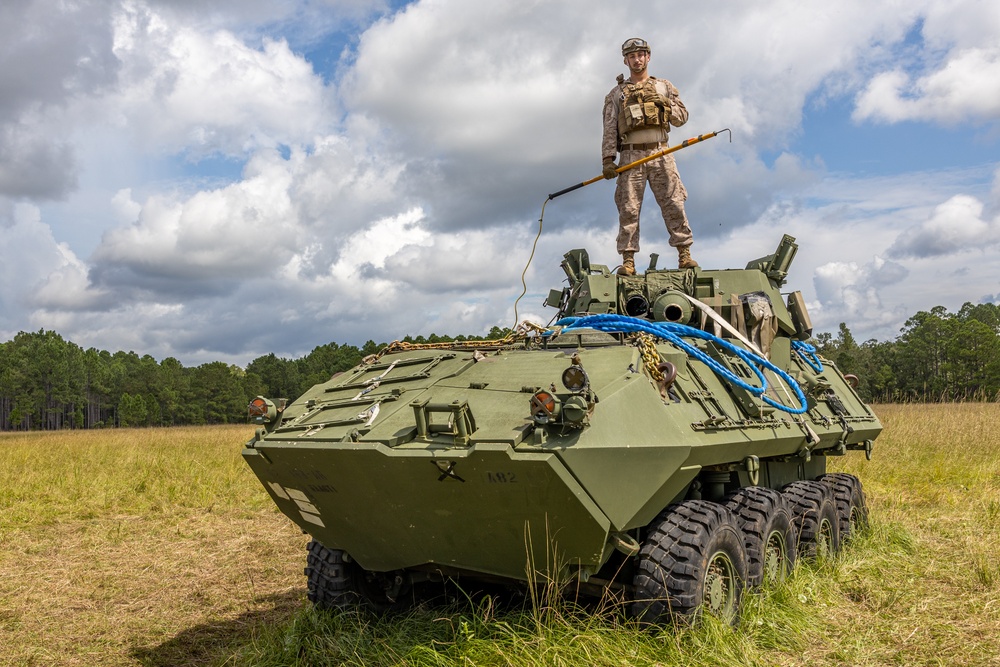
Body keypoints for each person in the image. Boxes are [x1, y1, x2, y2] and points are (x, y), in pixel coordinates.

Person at [602, 37, 697, 275]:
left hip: (661, 151)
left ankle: (684, 254)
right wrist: (607, 160)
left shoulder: (664, 86)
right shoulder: (617, 94)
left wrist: (664, 102)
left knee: (674, 202)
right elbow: (609, 128)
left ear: (648, 57)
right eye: (632, 56)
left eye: (641, 55)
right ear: (626, 61)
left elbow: (682, 117)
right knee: (628, 209)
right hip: (630, 157)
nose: (637, 59)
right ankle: (628, 261)